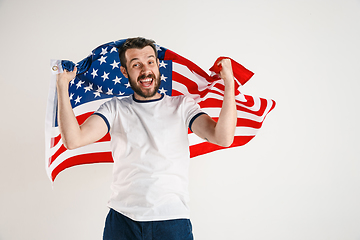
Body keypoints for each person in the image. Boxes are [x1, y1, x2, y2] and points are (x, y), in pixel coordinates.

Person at [56, 37, 237, 240]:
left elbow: (223, 138)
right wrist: (62, 85)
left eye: (150, 62)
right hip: (123, 221)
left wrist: (229, 83)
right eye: (136, 64)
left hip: (172, 222)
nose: (145, 69)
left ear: (158, 65)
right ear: (124, 71)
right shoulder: (114, 108)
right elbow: (73, 140)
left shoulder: (182, 106)